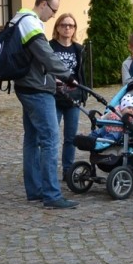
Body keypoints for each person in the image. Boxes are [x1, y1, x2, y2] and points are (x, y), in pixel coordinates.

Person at [11, 0, 78, 209]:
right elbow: (46, 56)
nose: (53, 16)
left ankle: (35, 191)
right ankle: (51, 195)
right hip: (37, 89)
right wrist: (67, 75)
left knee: (32, 139)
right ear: (43, 4)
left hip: (26, 86)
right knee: (50, 139)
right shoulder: (31, 23)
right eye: (54, 10)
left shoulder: (18, 19)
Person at [49, 12, 86, 181]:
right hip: (54, 97)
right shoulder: (50, 47)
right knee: (52, 136)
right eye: (64, 25)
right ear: (57, 27)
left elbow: (82, 74)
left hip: (73, 98)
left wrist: (83, 93)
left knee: (71, 137)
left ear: (74, 29)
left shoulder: (78, 49)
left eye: (71, 25)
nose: (67, 28)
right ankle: (49, 171)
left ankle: (67, 170)